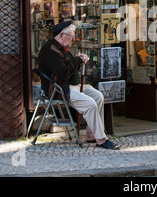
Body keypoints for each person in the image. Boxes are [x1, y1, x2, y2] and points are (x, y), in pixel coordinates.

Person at [38, 20, 119, 150]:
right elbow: (63, 72)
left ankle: (91, 135)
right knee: (90, 104)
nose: (73, 39)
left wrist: (78, 60)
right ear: (61, 35)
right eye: (71, 36)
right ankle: (101, 139)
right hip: (59, 89)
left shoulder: (62, 49)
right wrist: (77, 60)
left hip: (69, 86)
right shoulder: (50, 50)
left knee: (98, 96)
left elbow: (69, 66)